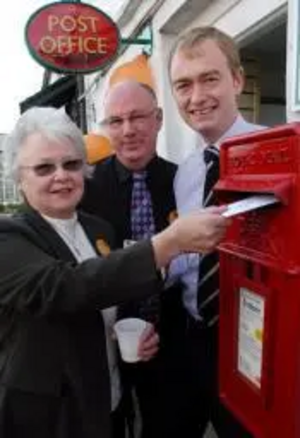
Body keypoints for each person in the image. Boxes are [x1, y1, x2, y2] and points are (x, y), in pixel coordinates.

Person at [0, 106, 229, 438]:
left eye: (71, 164)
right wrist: (166, 244)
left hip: (108, 403)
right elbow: (65, 287)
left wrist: (125, 332)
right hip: (51, 417)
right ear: (20, 178)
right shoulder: (9, 237)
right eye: (44, 168)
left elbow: (107, 293)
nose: (61, 175)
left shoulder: (98, 229)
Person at [166, 26, 266, 437]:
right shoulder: (185, 172)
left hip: (256, 345)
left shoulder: (283, 152)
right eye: (183, 85)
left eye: (210, 78)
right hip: (193, 340)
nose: (196, 97)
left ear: (237, 80)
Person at [81, 79, 184, 438]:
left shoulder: (184, 180)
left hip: (173, 337)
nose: (127, 130)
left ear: (158, 119)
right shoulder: (86, 188)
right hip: (106, 339)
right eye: (116, 121)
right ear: (106, 128)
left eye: (138, 117)